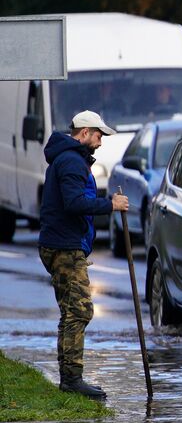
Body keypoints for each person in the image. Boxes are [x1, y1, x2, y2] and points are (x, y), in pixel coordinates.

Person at [38, 111, 132, 399]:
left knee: (72, 311)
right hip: (64, 246)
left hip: (64, 243)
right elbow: (74, 203)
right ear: (85, 132)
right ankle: (71, 380)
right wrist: (110, 204)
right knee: (79, 310)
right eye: (99, 135)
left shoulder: (70, 159)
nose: (101, 141)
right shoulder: (70, 161)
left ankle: (70, 377)